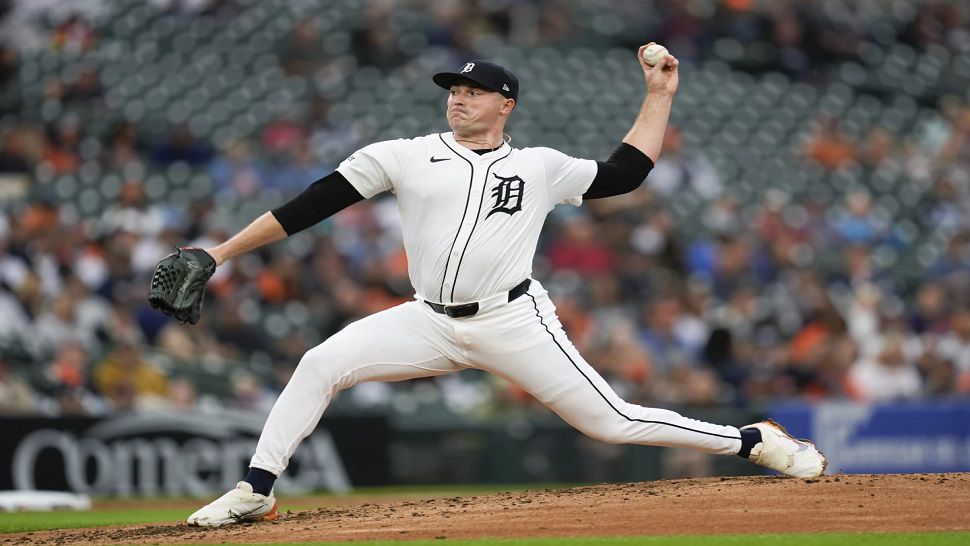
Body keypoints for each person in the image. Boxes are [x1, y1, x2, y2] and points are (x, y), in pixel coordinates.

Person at [182, 44, 826, 527]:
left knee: (612, 424)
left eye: (474, 90)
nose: (458, 98)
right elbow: (311, 204)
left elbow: (624, 174)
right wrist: (221, 251)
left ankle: (753, 441)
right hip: (428, 319)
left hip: (512, 319)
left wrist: (659, 95)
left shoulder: (538, 166)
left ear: (505, 104)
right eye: (454, 89)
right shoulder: (403, 154)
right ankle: (257, 489)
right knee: (319, 363)